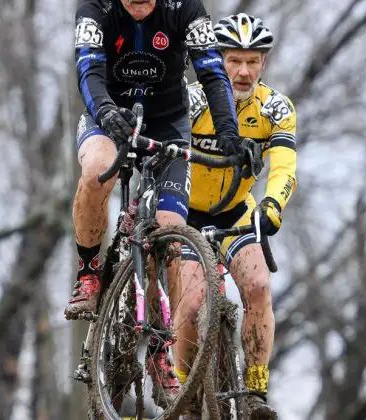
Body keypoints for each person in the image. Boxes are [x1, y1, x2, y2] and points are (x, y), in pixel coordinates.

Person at [65, 0, 242, 408]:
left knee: (169, 231)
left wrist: (229, 131)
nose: (140, 4)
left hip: (169, 122)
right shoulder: (95, 8)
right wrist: (106, 111)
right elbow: (88, 69)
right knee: (96, 171)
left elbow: (212, 71)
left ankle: (162, 349)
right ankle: (90, 272)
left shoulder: (186, 8)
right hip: (105, 114)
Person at [175, 13, 297, 420]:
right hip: (184, 214)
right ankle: (185, 391)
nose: (244, 71)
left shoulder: (275, 108)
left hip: (234, 212)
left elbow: (283, 165)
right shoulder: (191, 100)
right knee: (193, 305)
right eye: (233, 60)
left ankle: (256, 390)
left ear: (264, 62)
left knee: (259, 286)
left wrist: (272, 205)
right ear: (217, 59)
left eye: (253, 61)